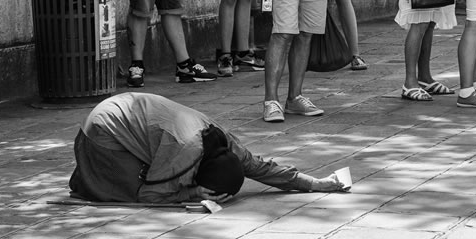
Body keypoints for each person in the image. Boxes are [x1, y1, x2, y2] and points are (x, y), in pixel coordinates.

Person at [69, 93, 348, 203]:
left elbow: (260, 167)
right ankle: (92, 175)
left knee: (148, 175)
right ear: (195, 173)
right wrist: (190, 192)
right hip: (102, 130)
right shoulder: (184, 152)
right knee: (134, 192)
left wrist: (316, 184)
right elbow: (150, 194)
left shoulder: (222, 140)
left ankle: (93, 174)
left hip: (118, 112)